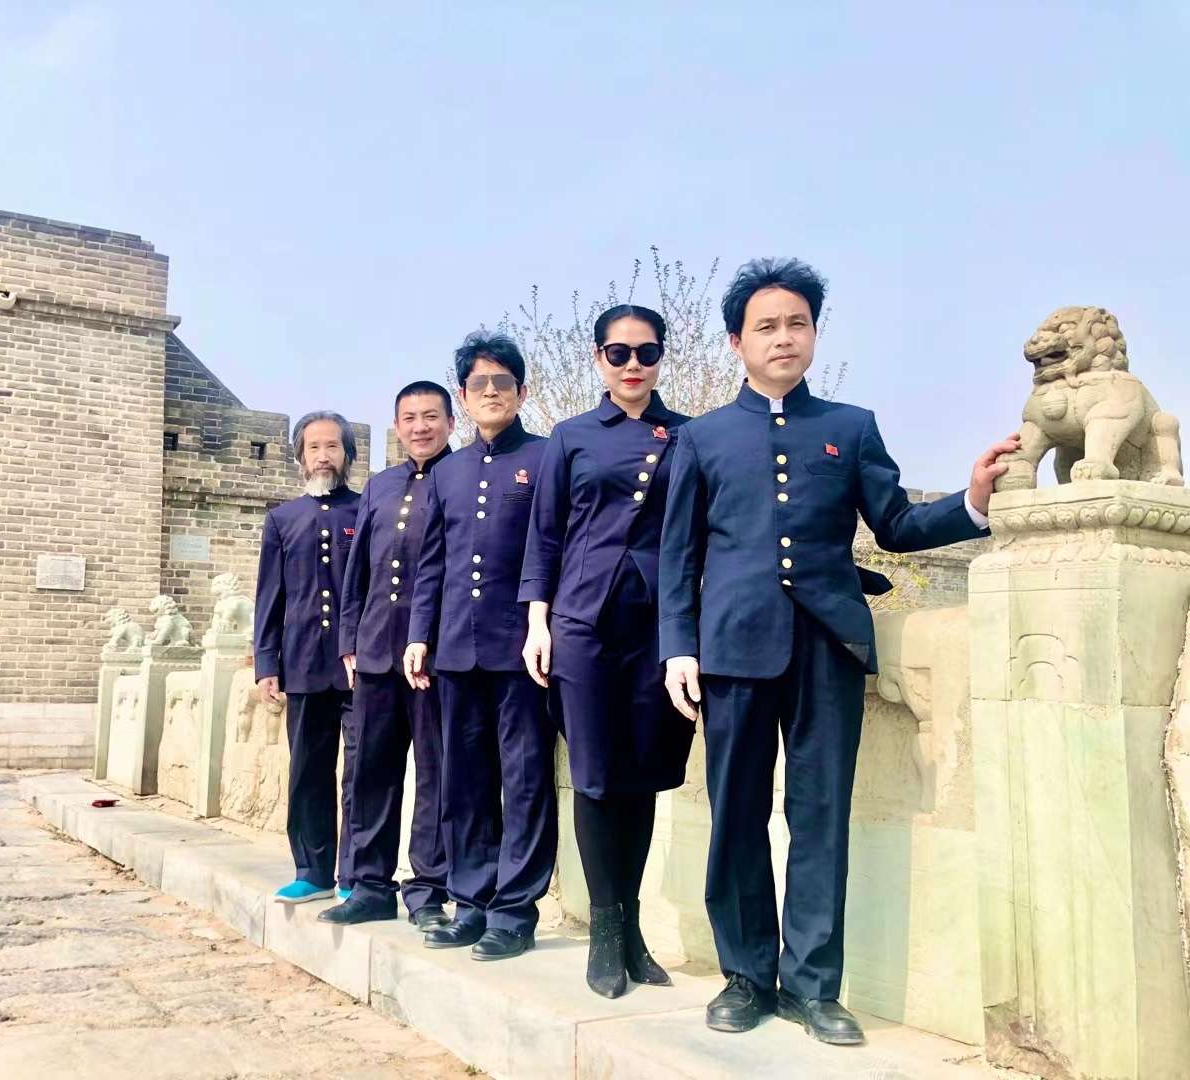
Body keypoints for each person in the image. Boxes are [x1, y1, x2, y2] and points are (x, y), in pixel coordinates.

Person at [658, 258, 1019, 1045]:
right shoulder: (701, 438)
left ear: (815, 334)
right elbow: (677, 557)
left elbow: (896, 526)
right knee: (737, 815)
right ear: (736, 342)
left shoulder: (851, 427)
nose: (783, 337)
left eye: (797, 323)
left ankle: (813, 988)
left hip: (829, 645)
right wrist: (678, 647)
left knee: (821, 817)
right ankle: (746, 977)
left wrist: (972, 501)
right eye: (766, 326)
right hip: (732, 650)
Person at [519, 304, 693, 998]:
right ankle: (605, 931)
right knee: (594, 778)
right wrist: (538, 621)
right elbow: (546, 533)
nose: (633, 365)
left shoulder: (688, 435)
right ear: (599, 359)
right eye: (618, 353)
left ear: (660, 358)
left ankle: (634, 929)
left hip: (656, 626)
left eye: (646, 352)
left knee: (641, 777)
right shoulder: (572, 436)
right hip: (582, 624)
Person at [404, 332, 555, 961]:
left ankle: (514, 910)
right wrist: (419, 633)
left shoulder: (546, 457)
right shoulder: (448, 472)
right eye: (479, 384)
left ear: (521, 391)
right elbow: (432, 561)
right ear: (463, 396)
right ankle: (470, 901)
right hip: (456, 650)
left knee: (523, 779)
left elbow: (552, 547)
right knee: (463, 780)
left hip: (522, 650)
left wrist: (543, 624)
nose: (491, 392)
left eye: (502, 382)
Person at [321, 381, 455, 930]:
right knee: (370, 772)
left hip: (434, 657)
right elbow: (358, 572)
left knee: (435, 775)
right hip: (376, 652)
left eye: (431, 416)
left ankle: (428, 891)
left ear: (450, 422)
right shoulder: (380, 485)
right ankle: (370, 885)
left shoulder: (461, 475)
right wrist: (349, 641)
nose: (420, 427)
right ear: (397, 427)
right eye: (409, 418)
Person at [253, 411, 363, 905]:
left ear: (348, 454)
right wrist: (266, 663)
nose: (323, 456)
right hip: (301, 663)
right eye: (314, 447)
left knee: (362, 771)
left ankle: (358, 873)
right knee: (308, 771)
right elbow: (269, 597)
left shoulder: (365, 510)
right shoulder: (282, 519)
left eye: (332, 446)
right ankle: (313, 871)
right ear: (300, 456)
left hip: (359, 667)